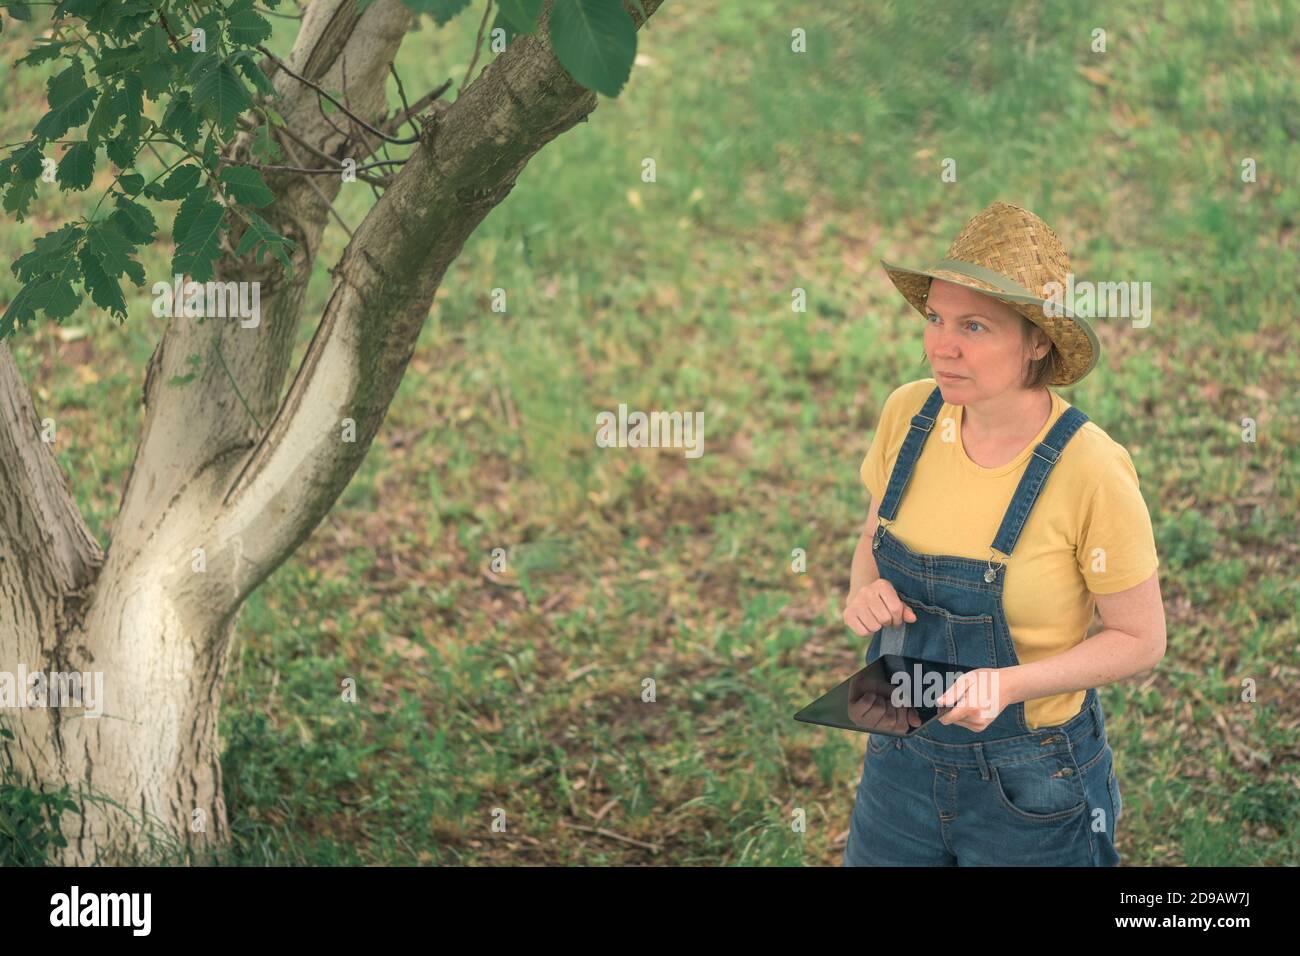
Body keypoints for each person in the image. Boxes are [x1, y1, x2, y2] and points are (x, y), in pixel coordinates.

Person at [841, 201, 1165, 866]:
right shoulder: (909, 415)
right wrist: (862, 590)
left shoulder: (1090, 468)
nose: (941, 344)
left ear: (1037, 340)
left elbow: (1141, 640)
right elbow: (871, 543)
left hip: (1032, 785)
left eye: (974, 326)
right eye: (935, 317)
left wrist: (1008, 685)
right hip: (898, 760)